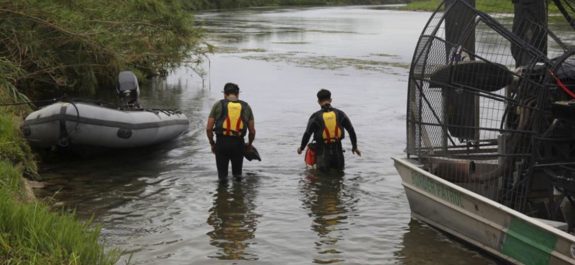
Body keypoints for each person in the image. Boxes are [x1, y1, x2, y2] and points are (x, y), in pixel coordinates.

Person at [297, 89, 360, 171]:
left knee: (322, 180)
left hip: (322, 155)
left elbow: (307, 134)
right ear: (330, 100)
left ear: (318, 101)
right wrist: (354, 147)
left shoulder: (315, 116)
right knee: (339, 178)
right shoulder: (340, 114)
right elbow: (351, 130)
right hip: (338, 154)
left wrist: (301, 148)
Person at [206, 83, 256, 182]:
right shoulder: (246, 107)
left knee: (222, 178)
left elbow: (208, 128)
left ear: (225, 94)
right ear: (238, 94)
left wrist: (212, 144)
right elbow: (252, 131)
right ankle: (238, 195)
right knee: (237, 177)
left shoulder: (218, 105)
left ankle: (221, 196)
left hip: (221, 143)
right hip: (238, 144)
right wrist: (249, 145)